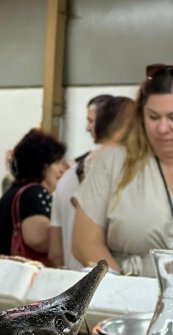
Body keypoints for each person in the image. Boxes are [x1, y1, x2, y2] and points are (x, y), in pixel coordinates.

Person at [72, 64, 173, 277]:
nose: (162, 128)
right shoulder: (111, 164)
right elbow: (84, 242)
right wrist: (121, 287)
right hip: (129, 295)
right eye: (153, 117)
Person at [49, 96, 134, 268]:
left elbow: (55, 254)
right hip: (114, 286)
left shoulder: (66, 177)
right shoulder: (124, 173)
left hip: (74, 286)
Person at [0, 128, 67, 264]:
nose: (62, 169)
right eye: (56, 162)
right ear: (42, 165)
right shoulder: (35, 194)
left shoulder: (12, 193)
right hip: (23, 279)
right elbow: (39, 240)